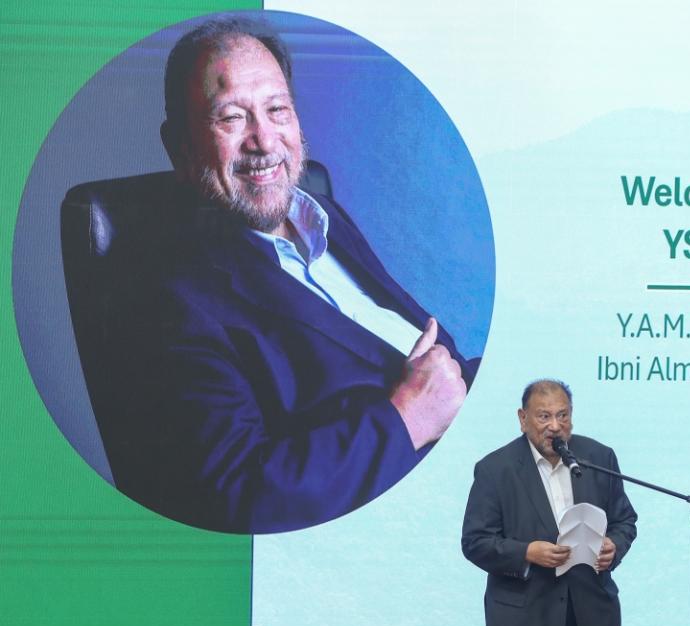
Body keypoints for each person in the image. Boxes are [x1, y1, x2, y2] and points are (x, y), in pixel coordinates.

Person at [70, 17, 475, 533]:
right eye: (231, 118)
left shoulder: (320, 214)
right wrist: (407, 420)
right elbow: (240, 492)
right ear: (180, 147)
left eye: (277, 109)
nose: (264, 141)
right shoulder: (167, 299)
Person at [462, 380, 637, 626]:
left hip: (591, 616)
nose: (555, 426)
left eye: (562, 415)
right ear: (523, 419)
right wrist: (526, 552)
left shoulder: (598, 458)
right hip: (524, 619)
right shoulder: (495, 470)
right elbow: (475, 542)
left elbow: (624, 520)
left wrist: (614, 546)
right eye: (544, 416)